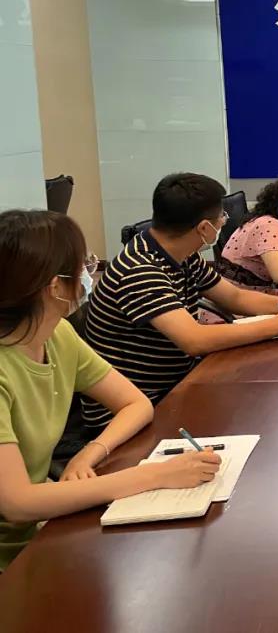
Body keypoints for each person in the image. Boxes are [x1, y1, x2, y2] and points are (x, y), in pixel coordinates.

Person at [0, 210, 221, 571]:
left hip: (40, 533)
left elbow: (135, 403)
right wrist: (155, 476)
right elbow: (17, 502)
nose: (88, 275)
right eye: (83, 267)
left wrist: (90, 452)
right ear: (55, 287)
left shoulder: (56, 335)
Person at [82, 173, 278, 428]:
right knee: (259, 416)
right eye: (222, 216)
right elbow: (194, 340)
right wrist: (277, 326)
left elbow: (234, 297)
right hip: (133, 409)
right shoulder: (139, 269)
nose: (224, 220)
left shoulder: (182, 253)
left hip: (175, 383)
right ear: (204, 228)